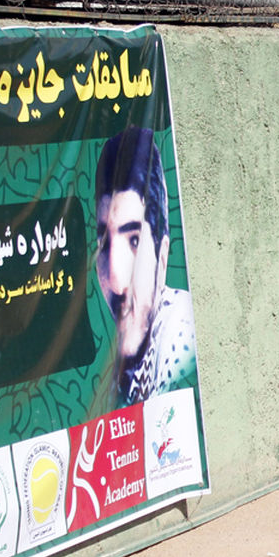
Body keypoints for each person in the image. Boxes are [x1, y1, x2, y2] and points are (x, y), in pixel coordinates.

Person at [95, 126, 197, 407]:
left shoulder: (184, 341)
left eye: (135, 241)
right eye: (104, 245)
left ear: (163, 257)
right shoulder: (122, 370)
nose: (116, 281)